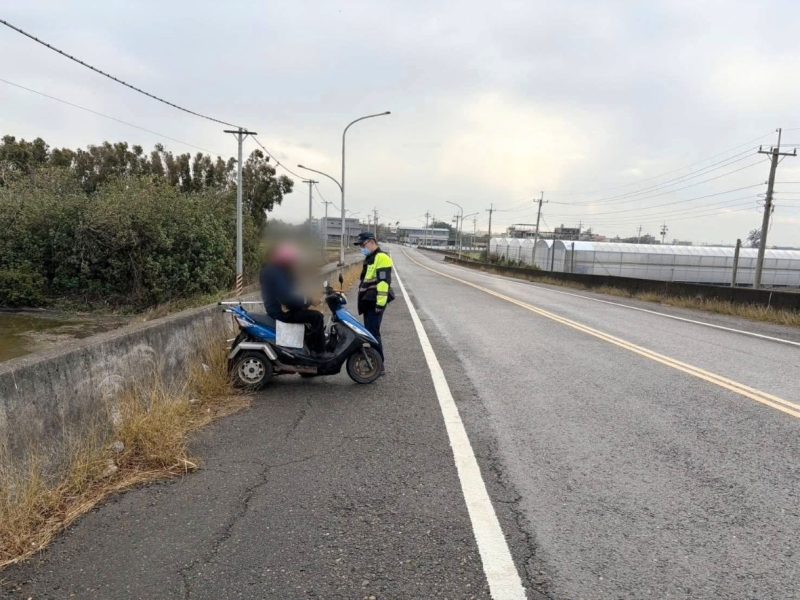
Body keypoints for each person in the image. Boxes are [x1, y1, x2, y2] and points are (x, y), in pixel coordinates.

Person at [260, 242, 325, 354]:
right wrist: (309, 301)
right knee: (317, 317)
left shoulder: (276, 270)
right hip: (281, 313)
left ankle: (307, 347)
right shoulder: (275, 272)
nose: (294, 264)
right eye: (291, 261)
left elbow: (292, 291)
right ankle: (318, 354)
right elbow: (287, 298)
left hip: (281, 309)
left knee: (308, 316)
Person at [354, 232, 394, 373]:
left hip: (374, 303)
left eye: (363, 245)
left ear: (372, 242)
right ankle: (376, 363)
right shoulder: (370, 258)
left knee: (373, 334)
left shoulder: (381, 257)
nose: (361, 248)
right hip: (368, 302)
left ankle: (379, 366)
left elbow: (383, 283)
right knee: (370, 333)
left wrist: (380, 304)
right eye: (360, 245)